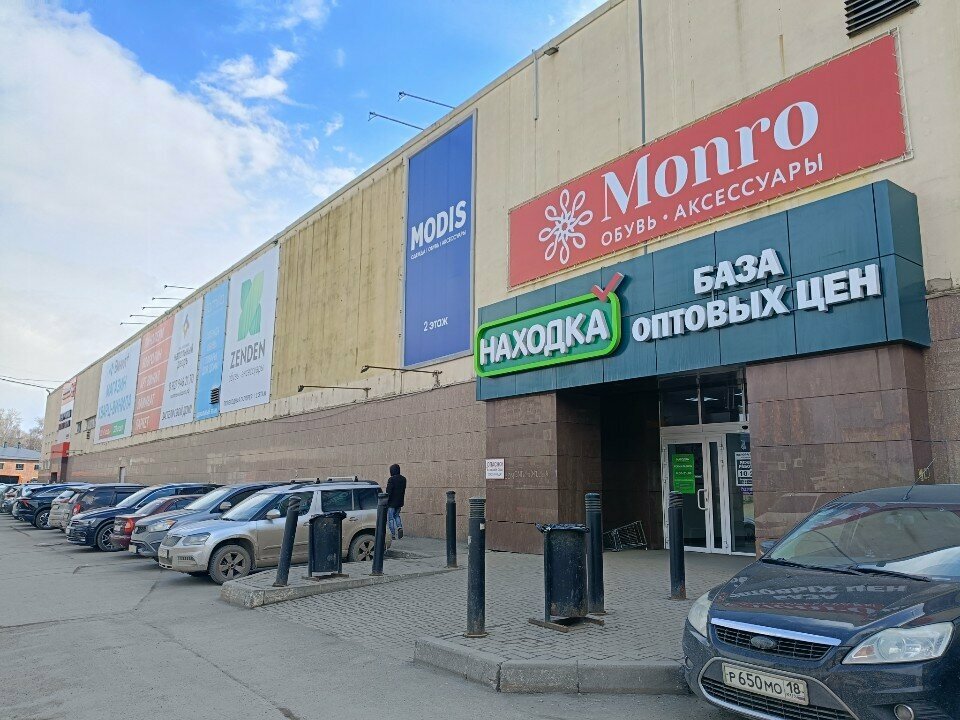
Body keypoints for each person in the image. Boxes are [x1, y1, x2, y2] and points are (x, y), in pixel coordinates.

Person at [385, 463, 406, 540]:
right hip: (399, 502)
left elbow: (388, 491)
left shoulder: (391, 479)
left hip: (391, 503)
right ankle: (399, 527)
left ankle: (392, 534)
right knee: (397, 516)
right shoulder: (403, 479)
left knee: (390, 518)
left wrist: (386, 500)